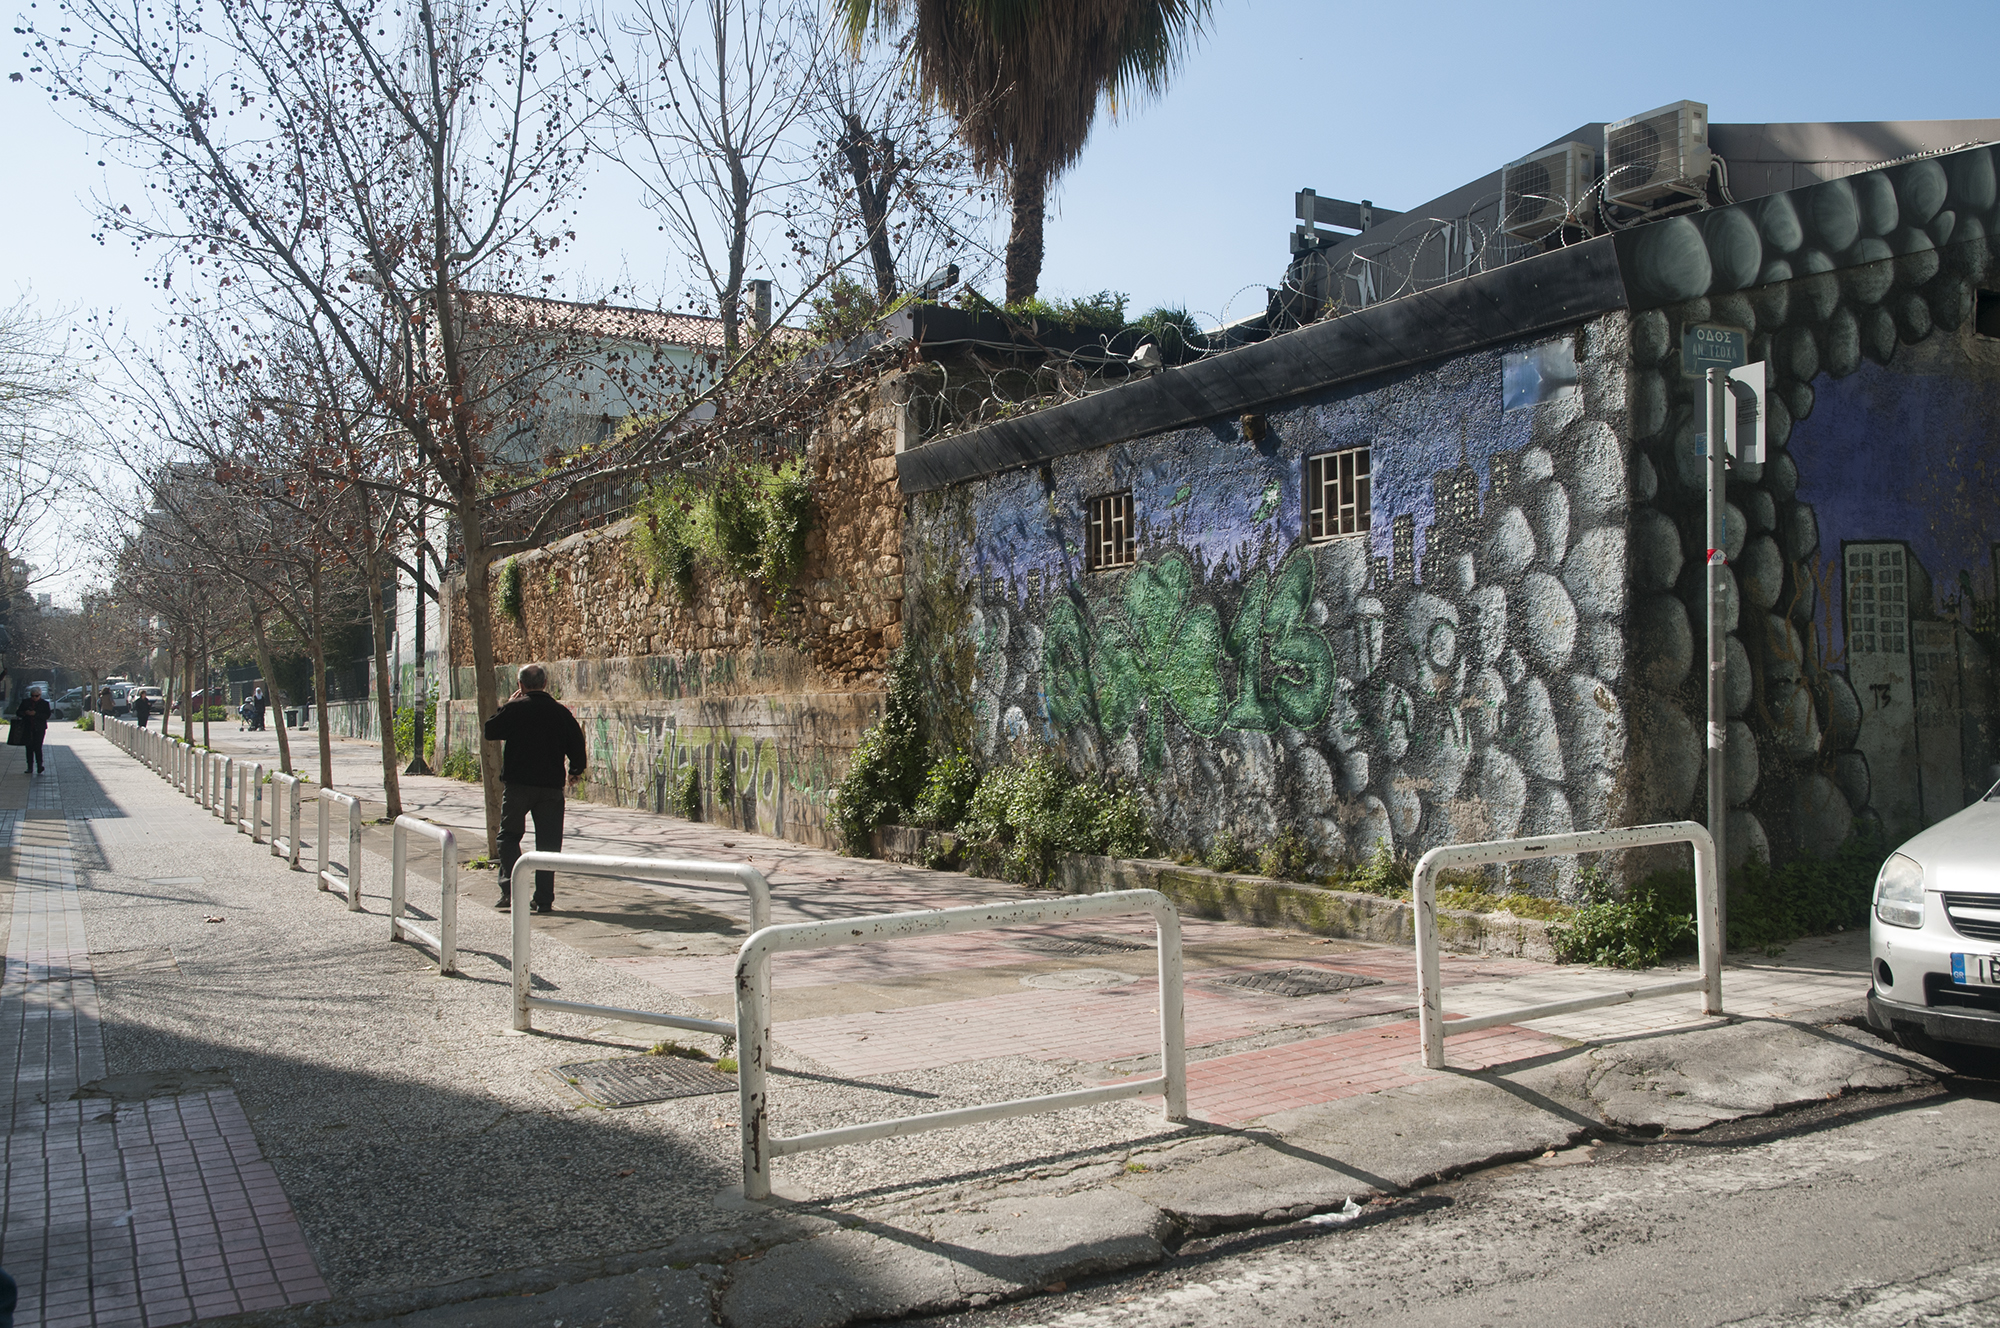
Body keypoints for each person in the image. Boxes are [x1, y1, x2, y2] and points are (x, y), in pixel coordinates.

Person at [482, 663, 585, 914]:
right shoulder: (560, 712)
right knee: (549, 844)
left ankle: (511, 890)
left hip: (518, 786)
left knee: (508, 837)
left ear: (521, 685)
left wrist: (506, 705)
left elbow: (490, 730)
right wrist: (575, 770)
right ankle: (544, 899)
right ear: (545, 684)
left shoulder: (515, 709)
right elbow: (576, 742)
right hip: (550, 788)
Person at [14, 686, 50, 774]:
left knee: (38, 747)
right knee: (29, 747)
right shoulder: (26, 702)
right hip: (27, 728)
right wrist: (25, 713)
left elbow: (47, 715)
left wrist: (36, 714)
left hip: (39, 728)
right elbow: (18, 712)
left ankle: (39, 766)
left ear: (40, 695)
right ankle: (29, 767)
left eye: (36, 696)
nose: (34, 698)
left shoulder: (44, 704)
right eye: (32, 696)